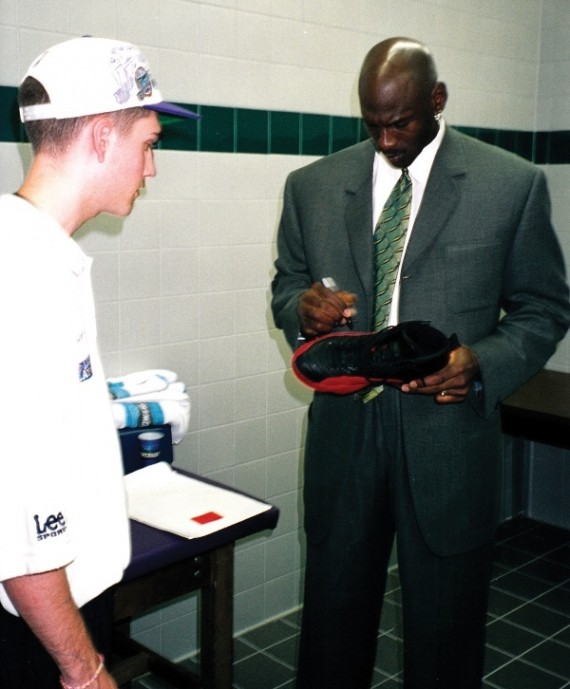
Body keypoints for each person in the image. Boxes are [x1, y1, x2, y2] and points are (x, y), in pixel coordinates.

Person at [271, 37, 570, 689]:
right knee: (331, 628)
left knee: (445, 635)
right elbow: (287, 282)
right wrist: (302, 308)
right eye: (372, 123)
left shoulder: (509, 185)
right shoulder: (311, 187)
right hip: (344, 437)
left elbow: (544, 307)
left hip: (448, 439)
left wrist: (481, 361)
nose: (385, 140)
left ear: (437, 100)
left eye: (400, 122)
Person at [0, 36, 198, 689]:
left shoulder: (36, 250)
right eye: (149, 143)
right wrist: (83, 670)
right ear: (101, 137)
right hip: (34, 631)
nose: (151, 168)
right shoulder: (24, 275)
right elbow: (17, 528)